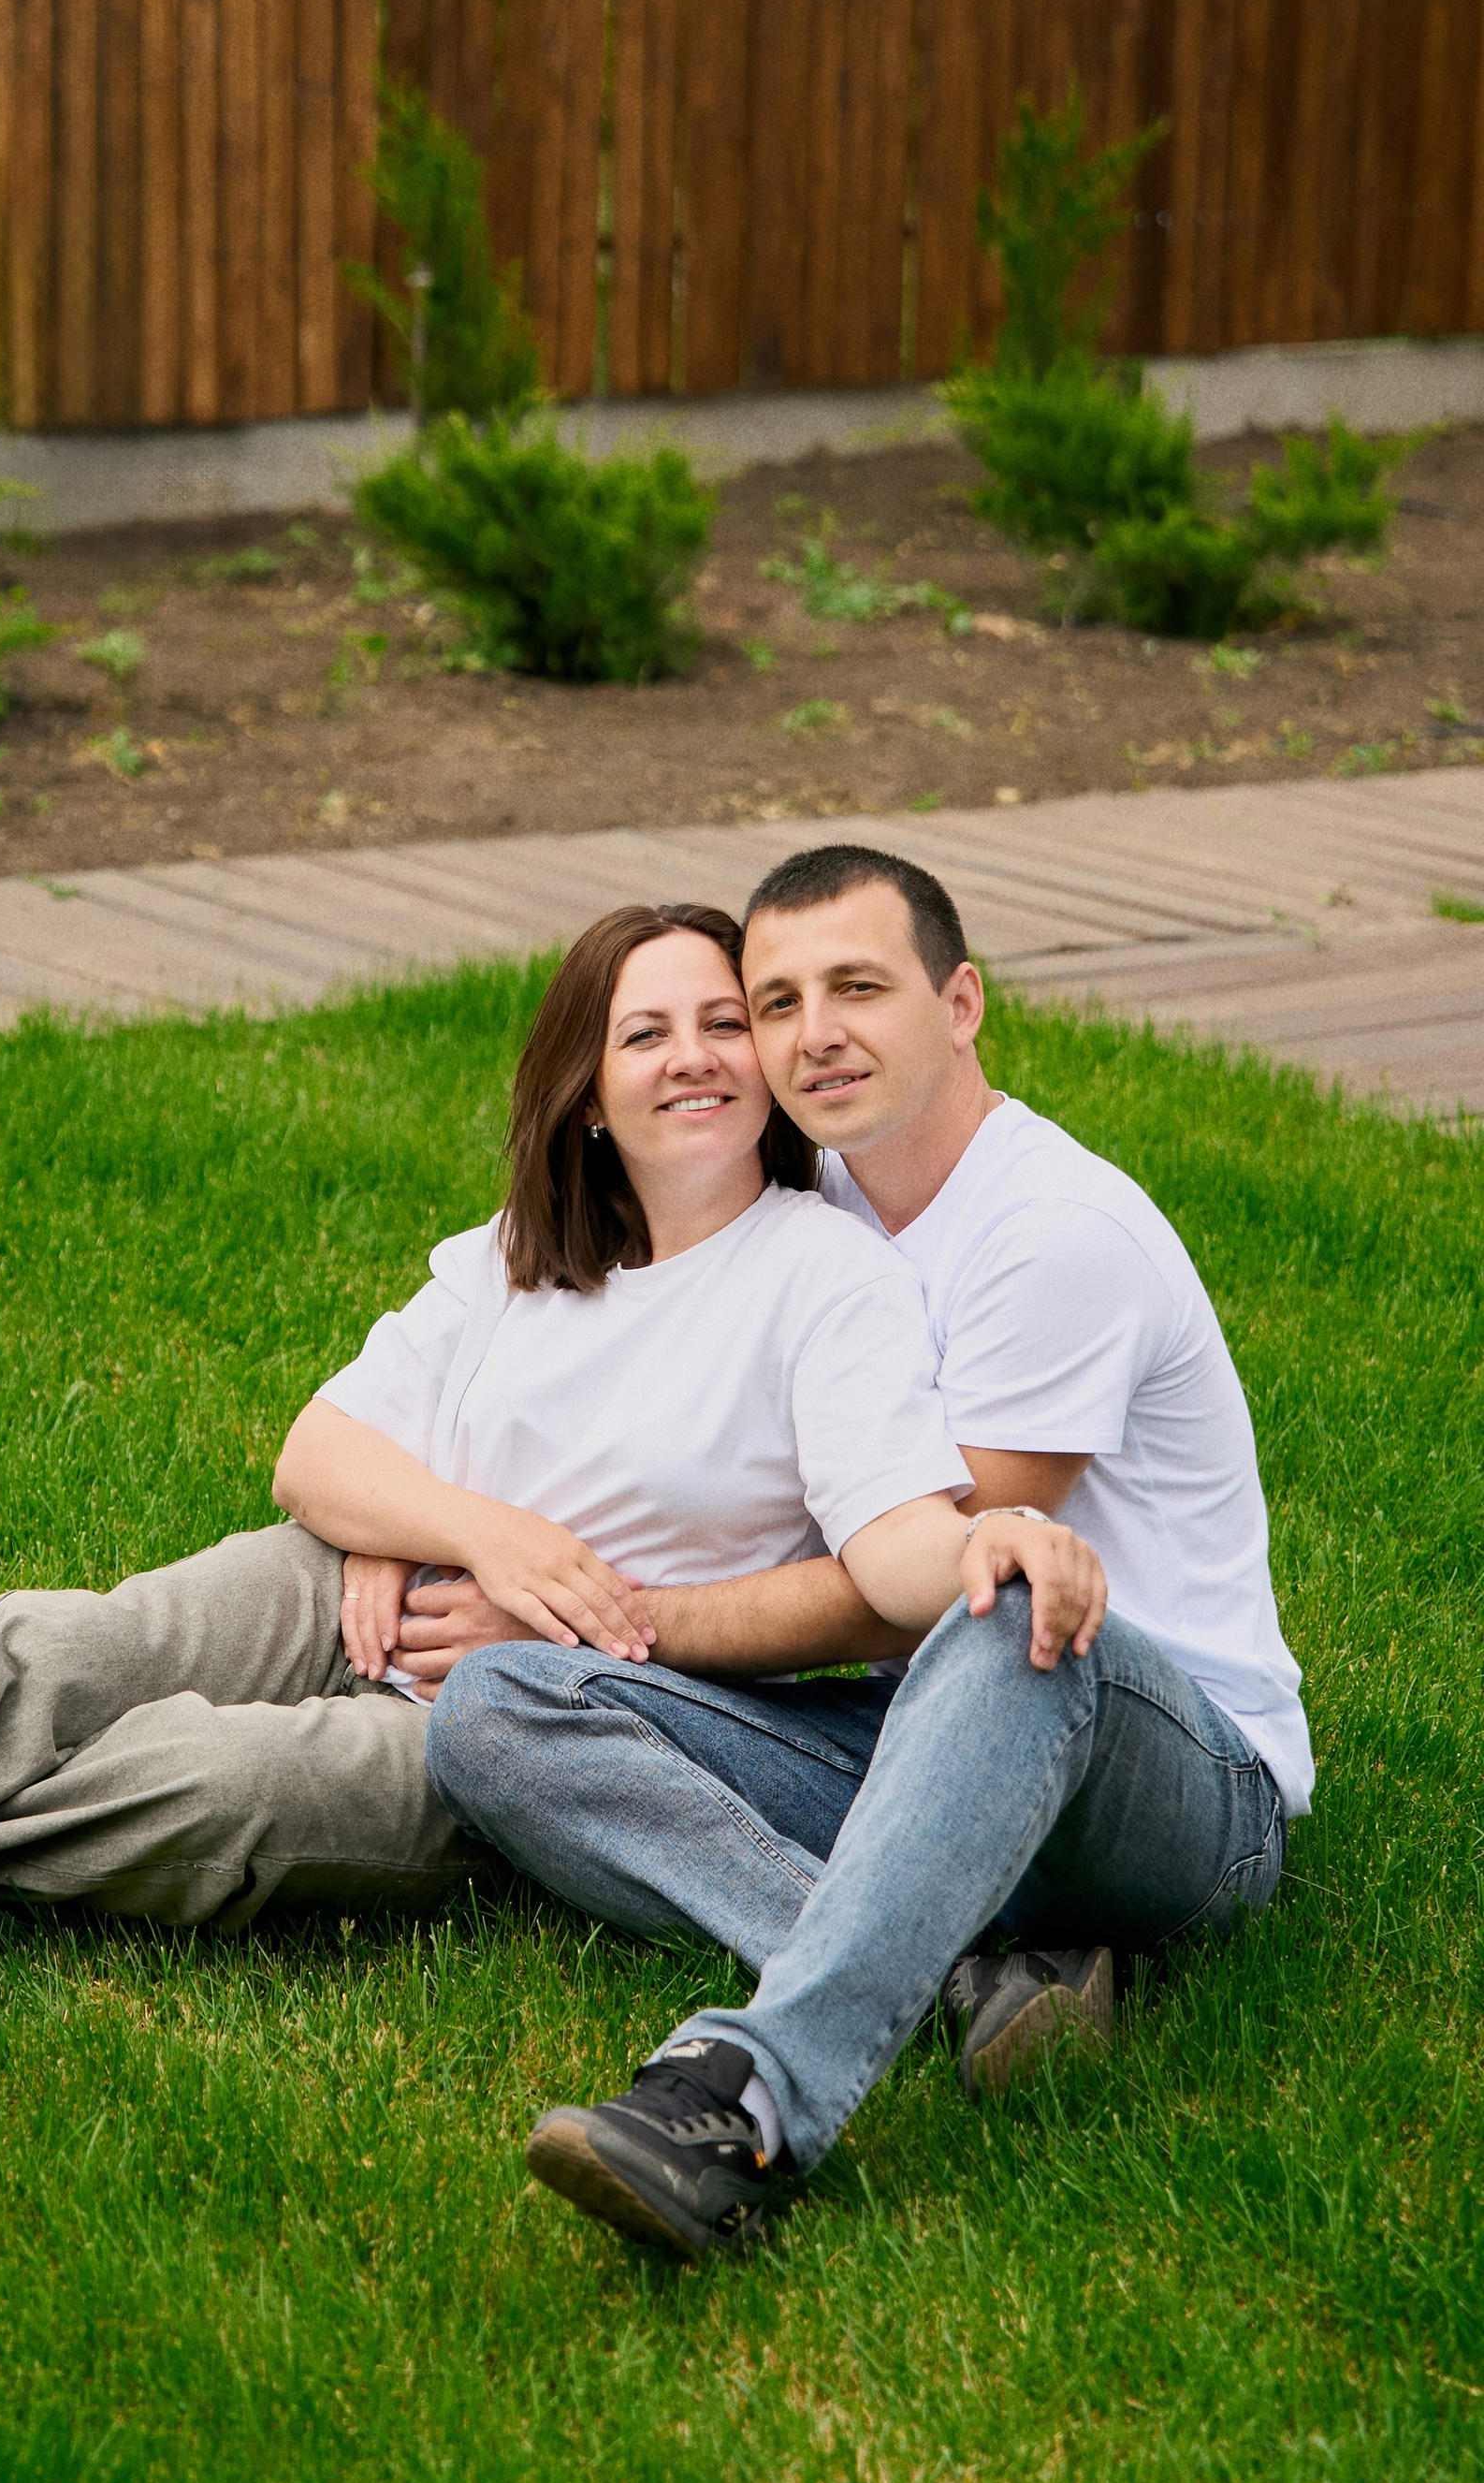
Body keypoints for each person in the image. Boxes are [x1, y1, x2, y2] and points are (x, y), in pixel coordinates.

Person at [0, 898, 1099, 2001]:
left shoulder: (831, 1281)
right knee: (55, 1645)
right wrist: (468, 1531)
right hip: (363, 1577)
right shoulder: (520, 1251)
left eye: (731, 1022)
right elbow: (315, 1455)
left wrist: (980, 1554)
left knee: (203, 1790)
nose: (704, 1056)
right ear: (584, 1082)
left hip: (550, 1710)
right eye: (650, 1031)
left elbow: (885, 1552)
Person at [423, 843, 1307, 2265]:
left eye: (858, 987)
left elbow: (913, 1586)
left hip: (1167, 1779)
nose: (813, 1031)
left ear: (960, 1003)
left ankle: (746, 2099)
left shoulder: (1050, 1234)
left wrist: (627, 1614)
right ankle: (957, 1967)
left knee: (1004, 1606)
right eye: (776, 1000)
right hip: (923, 1756)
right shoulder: (816, 1204)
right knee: (497, 1705)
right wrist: (418, 1528)